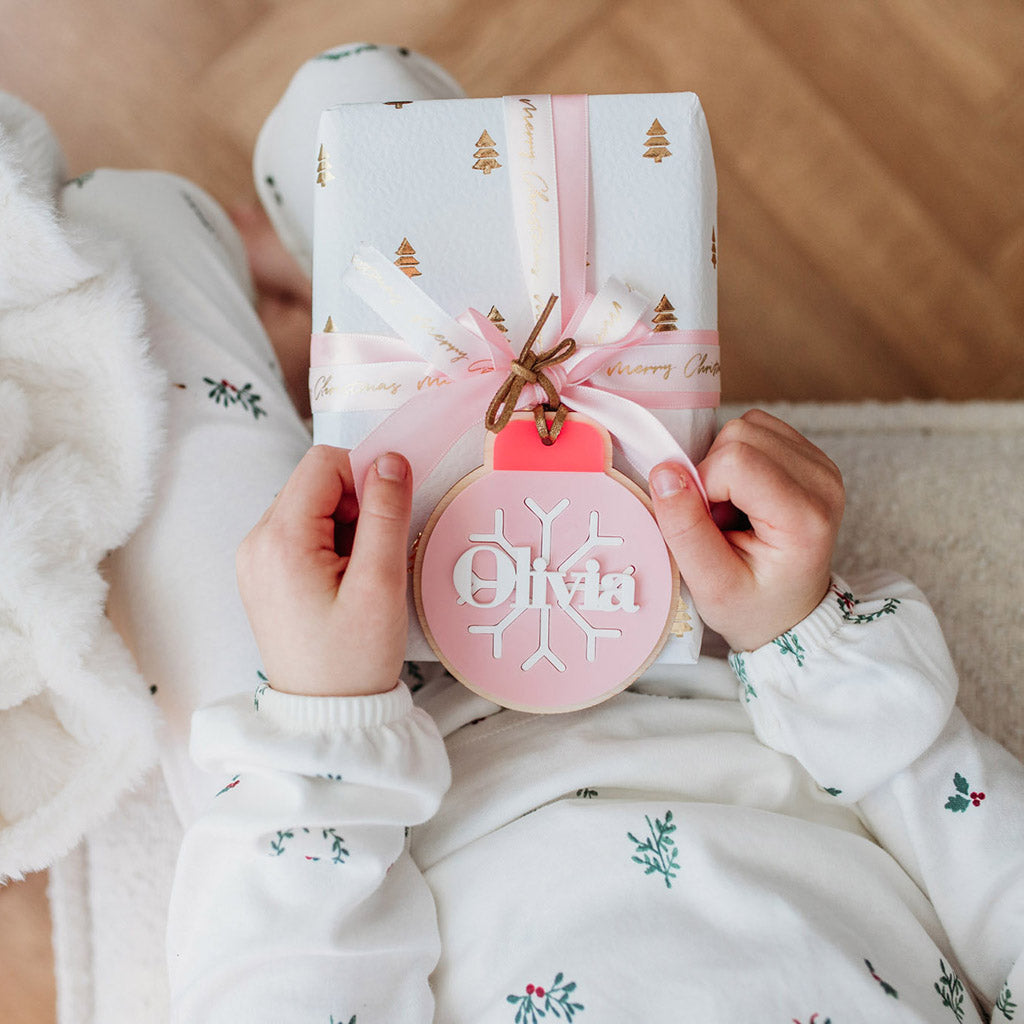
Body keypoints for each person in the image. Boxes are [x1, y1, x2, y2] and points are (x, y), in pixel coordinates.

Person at [73, 44, 1021, 1022]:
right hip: (688, 654)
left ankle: (331, 325)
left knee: (115, 242)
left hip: (372, 774)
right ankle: (338, 314)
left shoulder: (335, 730)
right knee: (357, 98)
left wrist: (324, 715)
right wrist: (803, 635)